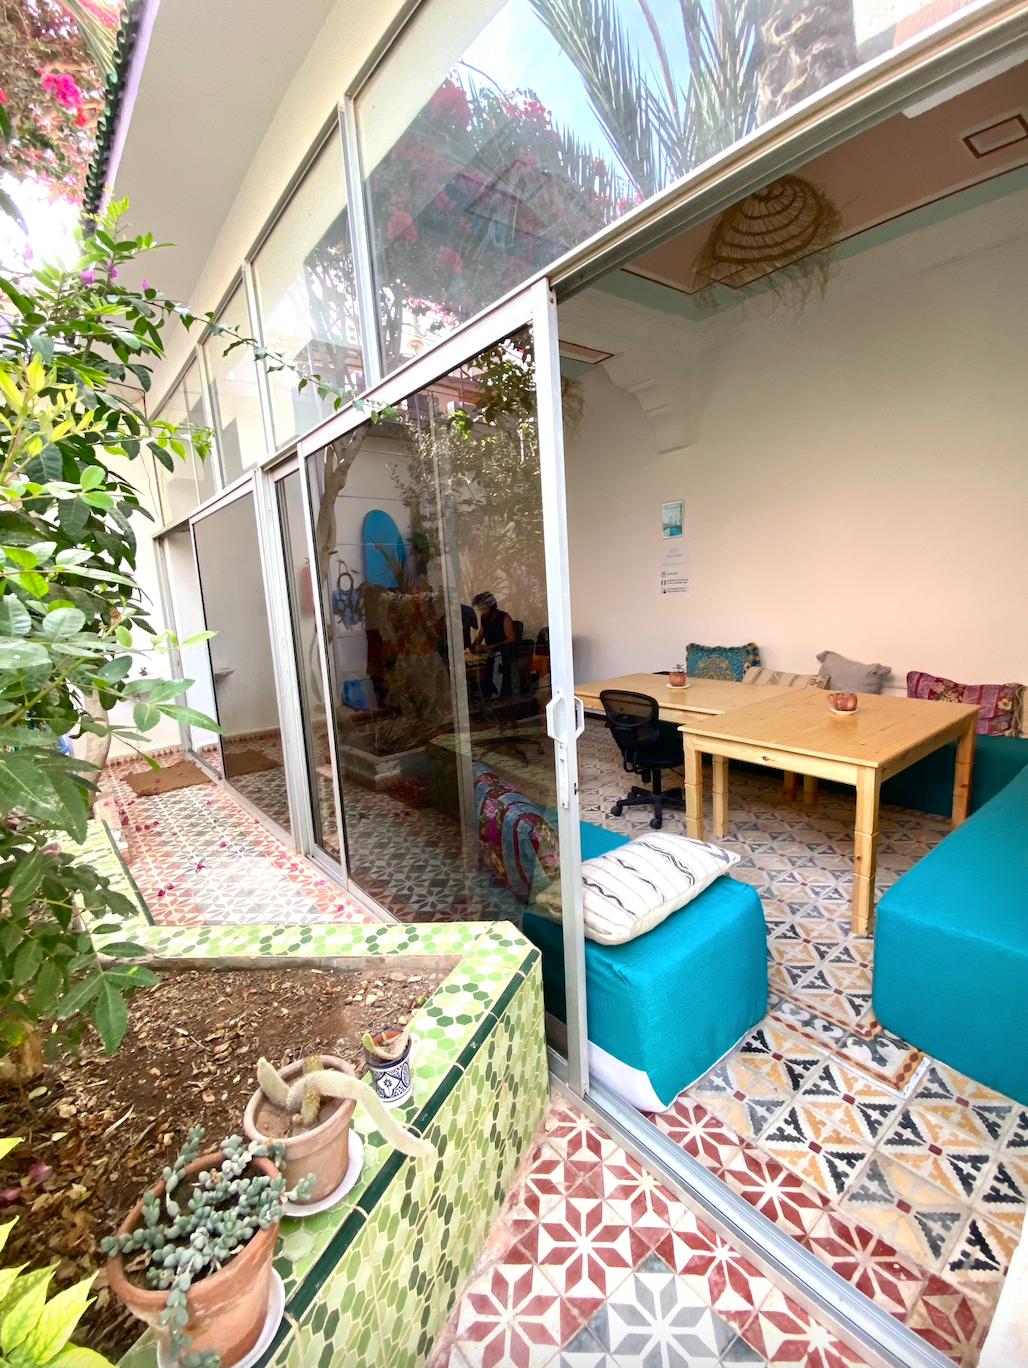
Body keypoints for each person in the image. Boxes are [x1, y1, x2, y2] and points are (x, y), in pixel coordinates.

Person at [470, 591, 517, 697]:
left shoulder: (504, 617)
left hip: (502, 652)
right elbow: (481, 633)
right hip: (490, 651)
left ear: (491, 606)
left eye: (483, 608)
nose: (482, 612)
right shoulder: (484, 618)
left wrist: (488, 647)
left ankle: (498, 693)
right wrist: (473, 645)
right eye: (480, 609)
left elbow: (511, 639)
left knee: (496, 660)